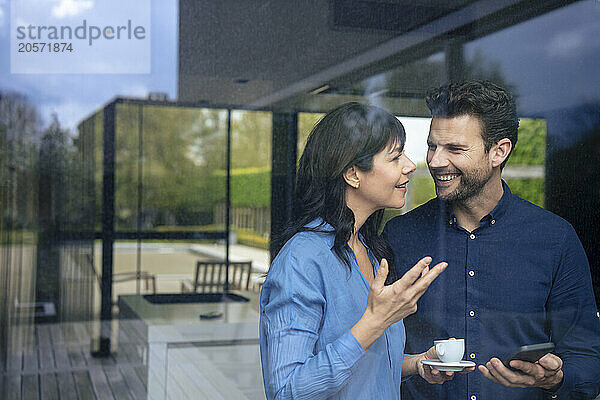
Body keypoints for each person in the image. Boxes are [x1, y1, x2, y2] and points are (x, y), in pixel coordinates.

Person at [384, 80, 600, 399]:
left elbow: (588, 361)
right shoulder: (400, 235)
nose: (434, 161)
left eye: (454, 149)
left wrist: (554, 379)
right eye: (432, 146)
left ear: (499, 151)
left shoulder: (555, 239)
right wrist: (415, 365)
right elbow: (369, 352)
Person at [260, 102, 452, 399]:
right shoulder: (302, 259)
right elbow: (288, 391)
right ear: (352, 174)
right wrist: (374, 321)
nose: (410, 165)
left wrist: (416, 364)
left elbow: (359, 368)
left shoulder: (370, 252)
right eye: (395, 157)